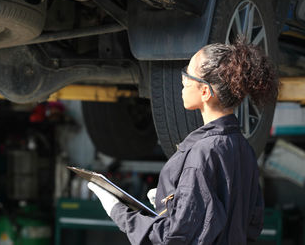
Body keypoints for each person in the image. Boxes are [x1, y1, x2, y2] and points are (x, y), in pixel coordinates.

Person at [87, 37, 279, 244]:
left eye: (189, 73)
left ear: (205, 91)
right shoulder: (243, 148)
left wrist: (117, 210)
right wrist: (173, 203)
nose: (184, 79)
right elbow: (251, 224)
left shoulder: (203, 154)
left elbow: (171, 238)